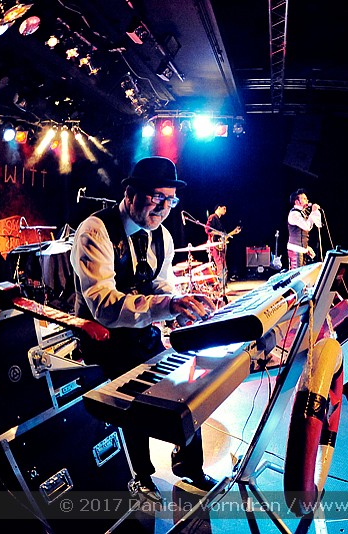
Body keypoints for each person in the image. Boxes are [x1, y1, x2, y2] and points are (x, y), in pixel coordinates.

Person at [70, 156, 218, 504]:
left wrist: (181, 305)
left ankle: (189, 465)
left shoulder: (162, 236)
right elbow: (104, 305)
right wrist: (166, 306)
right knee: (131, 406)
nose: (164, 208)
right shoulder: (95, 231)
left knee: (186, 388)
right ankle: (140, 476)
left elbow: (160, 285)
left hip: (142, 334)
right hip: (103, 341)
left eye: (171, 201)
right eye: (157, 198)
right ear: (130, 193)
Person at [286, 188, 322, 270]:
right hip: (296, 249)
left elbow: (304, 231)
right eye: (304, 199)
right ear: (297, 202)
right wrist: (313, 212)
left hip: (301, 249)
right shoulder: (294, 214)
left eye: (306, 198)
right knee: (297, 274)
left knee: (303, 274)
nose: (307, 201)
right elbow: (307, 226)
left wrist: (306, 247)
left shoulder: (302, 213)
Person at [204, 204, 240, 285]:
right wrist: (219, 233)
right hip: (215, 246)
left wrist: (234, 232)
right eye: (224, 208)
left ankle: (223, 285)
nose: (225, 211)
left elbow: (224, 235)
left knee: (224, 266)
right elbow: (207, 230)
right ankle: (220, 286)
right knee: (220, 265)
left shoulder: (219, 220)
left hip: (220, 246)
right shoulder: (212, 217)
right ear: (218, 208)